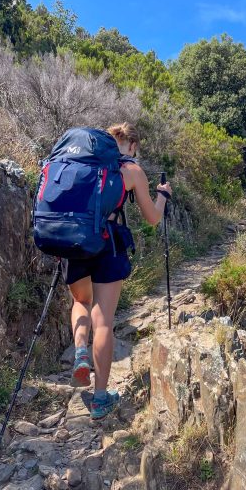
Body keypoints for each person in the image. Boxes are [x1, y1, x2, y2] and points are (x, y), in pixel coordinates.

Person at [65, 122, 172, 419]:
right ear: (133, 145)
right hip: (108, 245)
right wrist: (163, 195)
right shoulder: (132, 171)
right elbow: (151, 218)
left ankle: (80, 351)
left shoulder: (83, 164)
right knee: (103, 320)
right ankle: (100, 398)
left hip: (75, 241)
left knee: (80, 302)